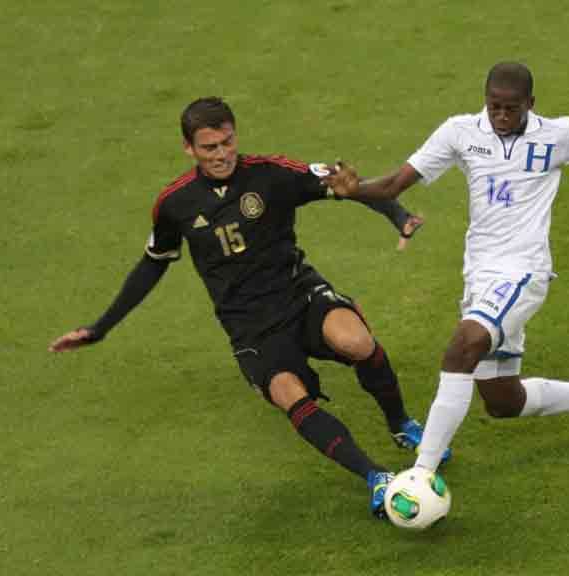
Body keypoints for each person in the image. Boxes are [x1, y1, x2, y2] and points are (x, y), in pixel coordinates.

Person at [49, 96, 446, 519]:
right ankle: (376, 479)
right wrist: (100, 327)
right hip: (250, 326)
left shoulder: (272, 174)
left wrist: (398, 214)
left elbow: (348, 183)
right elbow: (153, 264)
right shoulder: (175, 204)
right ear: (189, 149)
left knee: (356, 341)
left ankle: (402, 425)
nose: (221, 154)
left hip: (299, 293)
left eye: (227, 142)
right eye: (209, 148)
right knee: (288, 394)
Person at [326, 62, 569, 471]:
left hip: (524, 272)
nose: (501, 117)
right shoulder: (460, 132)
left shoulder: (558, 135)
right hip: (480, 275)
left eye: (511, 109)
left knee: (462, 348)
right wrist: (351, 191)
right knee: (504, 400)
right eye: (494, 107)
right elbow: (394, 184)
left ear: (530, 104)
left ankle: (421, 474)